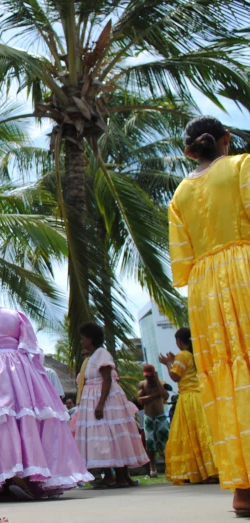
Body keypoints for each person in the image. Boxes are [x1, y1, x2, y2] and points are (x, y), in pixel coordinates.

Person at [0, 258, 92, 500]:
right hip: (17, 371)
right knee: (24, 420)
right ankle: (28, 476)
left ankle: (1, 478)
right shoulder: (16, 315)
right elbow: (32, 350)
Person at [168, 116, 250, 511]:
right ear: (226, 140)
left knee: (226, 379)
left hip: (205, 289)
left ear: (189, 151)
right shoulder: (242, 166)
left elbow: (181, 264)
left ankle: (242, 489)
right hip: (244, 268)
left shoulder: (179, 194)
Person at [73, 322, 148, 488]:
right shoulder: (91, 357)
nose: (81, 341)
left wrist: (100, 404)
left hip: (105, 400)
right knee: (102, 436)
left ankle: (121, 475)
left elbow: (107, 379)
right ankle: (110, 475)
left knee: (112, 433)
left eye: (83, 338)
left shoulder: (101, 354)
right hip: (92, 398)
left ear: (91, 339)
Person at [159, 328, 219, 485]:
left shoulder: (182, 355)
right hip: (199, 397)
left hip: (188, 399)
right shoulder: (193, 354)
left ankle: (199, 471)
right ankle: (210, 471)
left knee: (190, 435)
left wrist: (168, 363)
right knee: (203, 434)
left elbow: (175, 376)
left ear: (179, 341)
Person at [137, 365, 170, 478]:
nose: (149, 379)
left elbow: (165, 395)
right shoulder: (143, 384)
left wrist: (157, 381)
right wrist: (154, 395)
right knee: (150, 443)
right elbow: (140, 401)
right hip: (149, 417)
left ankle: (169, 466)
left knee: (165, 442)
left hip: (160, 416)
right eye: (147, 376)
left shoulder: (161, 383)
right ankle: (153, 467)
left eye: (150, 376)